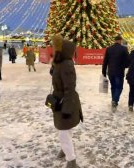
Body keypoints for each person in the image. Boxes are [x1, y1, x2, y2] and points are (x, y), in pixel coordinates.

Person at [51, 35, 83, 168]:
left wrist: (67, 109)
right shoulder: (60, 62)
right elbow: (58, 77)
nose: (55, 49)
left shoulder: (67, 64)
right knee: (65, 129)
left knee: (63, 131)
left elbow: (70, 88)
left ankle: (71, 160)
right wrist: (53, 70)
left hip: (66, 102)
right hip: (60, 100)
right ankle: (66, 150)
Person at [102, 35, 129, 109]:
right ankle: (115, 100)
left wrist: (104, 71)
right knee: (119, 87)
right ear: (120, 40)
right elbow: (127, 61)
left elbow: (105, 61)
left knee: (113, 87)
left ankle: (114, 100)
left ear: (114, 40)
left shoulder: (109, 49)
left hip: (110, 71)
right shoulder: (124, 49)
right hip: (119, 72)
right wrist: (125, 66)